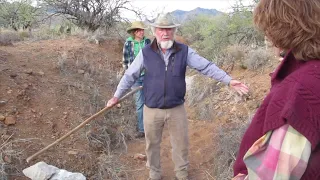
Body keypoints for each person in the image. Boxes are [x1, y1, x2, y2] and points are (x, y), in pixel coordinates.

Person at [107, 13, 249, 180]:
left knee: (181, 145)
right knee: (152, 144)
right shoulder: (145, 53)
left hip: (176, 108)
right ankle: (154, 174)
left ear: (174, 31)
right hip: (152, 108)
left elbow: (206, 67)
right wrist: (116, 96)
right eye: (161, 29)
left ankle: (181, 175)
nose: (165, 33)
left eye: (169, 29)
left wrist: (229, 80)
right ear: (154, 31)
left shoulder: (184, 51)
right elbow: (129, 75)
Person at [233, 0, 320, 179]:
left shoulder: (300, 89)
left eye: (269, 27)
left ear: (282, 28)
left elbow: (273, 174)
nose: (268, 36)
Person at [123, 21, 151, 138]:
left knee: (150, 101)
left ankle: (152, 126)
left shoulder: (148, 42)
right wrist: (129, 75)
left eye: (142, 30)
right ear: (134, 32)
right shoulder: (128, 43)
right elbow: (125, 61)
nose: (141, 32)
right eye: (139, 30)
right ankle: (142, 129)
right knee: (140, 103)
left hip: (149, 76)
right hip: (136, 78)